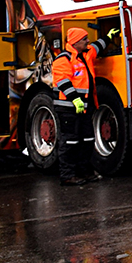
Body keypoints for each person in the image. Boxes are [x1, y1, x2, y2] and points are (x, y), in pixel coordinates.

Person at [49, 27, 98, 186]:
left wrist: (109, 37)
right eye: (84, 39)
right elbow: (63, 82)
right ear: (75, 42)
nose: (87, 41)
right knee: (70, 142)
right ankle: (68, 176)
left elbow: (97, 47)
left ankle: (84, 172)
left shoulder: (85, 55)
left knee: (87, 140)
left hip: (83, 108)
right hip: (68, 108)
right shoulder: (63, 60)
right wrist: (75, 100)